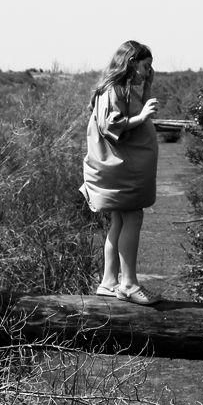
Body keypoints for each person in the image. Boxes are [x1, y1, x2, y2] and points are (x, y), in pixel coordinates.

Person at [81, 41, 160, 303]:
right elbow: (110, 126)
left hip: (123, 169)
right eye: (145, 66)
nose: (148, 71)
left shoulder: (122, 89)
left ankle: (108, 281)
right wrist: (142, 118)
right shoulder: (112, 90)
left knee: (119, 220)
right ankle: (128, 283)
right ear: (131, 63)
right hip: (119, 171)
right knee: (132, 217)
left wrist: (147, 86)